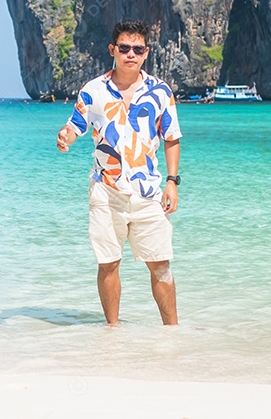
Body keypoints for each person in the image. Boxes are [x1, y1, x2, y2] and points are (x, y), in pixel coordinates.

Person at [55, 20, 182, 325]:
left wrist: (172, 182)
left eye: (137, 49)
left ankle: (173, 333)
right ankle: (111, 332)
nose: (130, 54)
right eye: (124, 48)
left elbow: (171, 138)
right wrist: (65, 137)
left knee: (160, 264)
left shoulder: (161, 92)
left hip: (148, 192)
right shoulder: (93, 91)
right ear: (112, 50)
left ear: (146, 53)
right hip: (106, 189)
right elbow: (76, 125)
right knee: (108, 263)